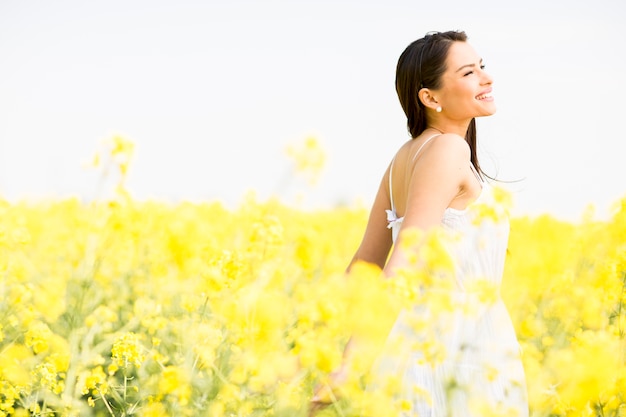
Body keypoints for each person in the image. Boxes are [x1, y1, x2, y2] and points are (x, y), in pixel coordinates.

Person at [310, 30, 529, 416]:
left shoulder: (404, 157)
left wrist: (317, 345)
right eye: (468, 73)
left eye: (482, 67)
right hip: (457, 350)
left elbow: (364, 264)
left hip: (416, 345)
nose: (486, 78)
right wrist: (349, 364)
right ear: (430, 98)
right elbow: (403, 261)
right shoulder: (448, 149)